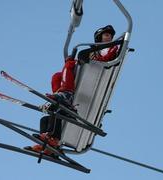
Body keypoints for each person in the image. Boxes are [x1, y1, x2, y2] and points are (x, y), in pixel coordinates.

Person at [25, 25, 118, 155]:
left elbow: (107, 59)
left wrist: (85, 58)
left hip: (93, 74)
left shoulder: (112, 47)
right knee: (47, 116)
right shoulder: (95, 50)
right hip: (87, 73)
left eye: (110, 35)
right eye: (106, 35)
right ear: (99, 38)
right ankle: (48, 143)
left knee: (69, 65)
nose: (109, 37)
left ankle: (66, 94)